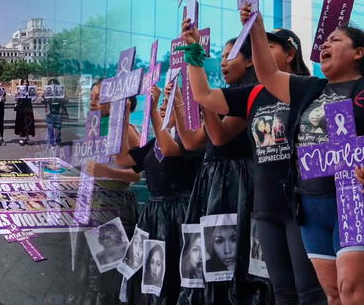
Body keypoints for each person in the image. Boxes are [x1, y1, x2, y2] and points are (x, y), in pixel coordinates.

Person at [243, 2, 364, 304]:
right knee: (334, 295)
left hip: (358, 200)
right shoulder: (308, 88)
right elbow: (267, 74)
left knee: (355, 294)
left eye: (335, 40)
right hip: (312, 205)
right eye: (324, 42)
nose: (325, 44)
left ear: (358, 53)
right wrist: (256, 27)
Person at [184, 19, 326, 303]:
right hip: (266, 205)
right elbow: (205, 96)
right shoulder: (254, 94)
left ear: (291, 53)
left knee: (309, 290)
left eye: (270, 46)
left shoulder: (313, 89)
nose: (261, 50)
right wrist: (194, 55)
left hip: (304, 204)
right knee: (282, 290)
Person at [174, 32, 273, 303]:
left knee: (232, 264)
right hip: (213, 181)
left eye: (230, 56)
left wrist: (204, 99)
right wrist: (181, 108)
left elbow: (219, 136)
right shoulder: (227, 97)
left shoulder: (252, 96)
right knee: (208, 263)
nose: (223, 64)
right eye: (221, 58)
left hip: (235, 182)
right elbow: (193, 141)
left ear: (251, 61)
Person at [114, 84, 204, 303]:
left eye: (170, 102)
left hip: (180, 216)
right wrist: (123, 117)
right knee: (152, 277)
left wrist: (152, 110)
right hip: (154, 216)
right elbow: (123, 159)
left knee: (176, 276)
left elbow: (169, 149)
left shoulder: (193, 141)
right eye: (163, 103)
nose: (164, 106)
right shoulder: (155, 144)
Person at [43, 78, 66, 146]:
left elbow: (65, 100)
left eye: (54, 83)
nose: (53, 85)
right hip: (49, 111)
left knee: (58, 127)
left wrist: (64, 97)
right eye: (51, 84)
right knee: (50, 127)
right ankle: (51, 142)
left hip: (58, 110)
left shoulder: (60, 91)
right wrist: (44, 96)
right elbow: (42, 100)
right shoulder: (47, 91)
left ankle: (58, 140)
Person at [14, 78, 36, 145]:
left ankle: (27, 138)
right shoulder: (18, 89)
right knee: (20, 123)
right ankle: (21, 138)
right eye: (24, 82)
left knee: (28, 123)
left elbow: (33, 100)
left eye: (26, 82)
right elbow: (15, 99)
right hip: (21, 108)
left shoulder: (30, 89)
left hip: (28, 108)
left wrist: (35, 95)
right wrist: (16, 94)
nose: (25, 84)